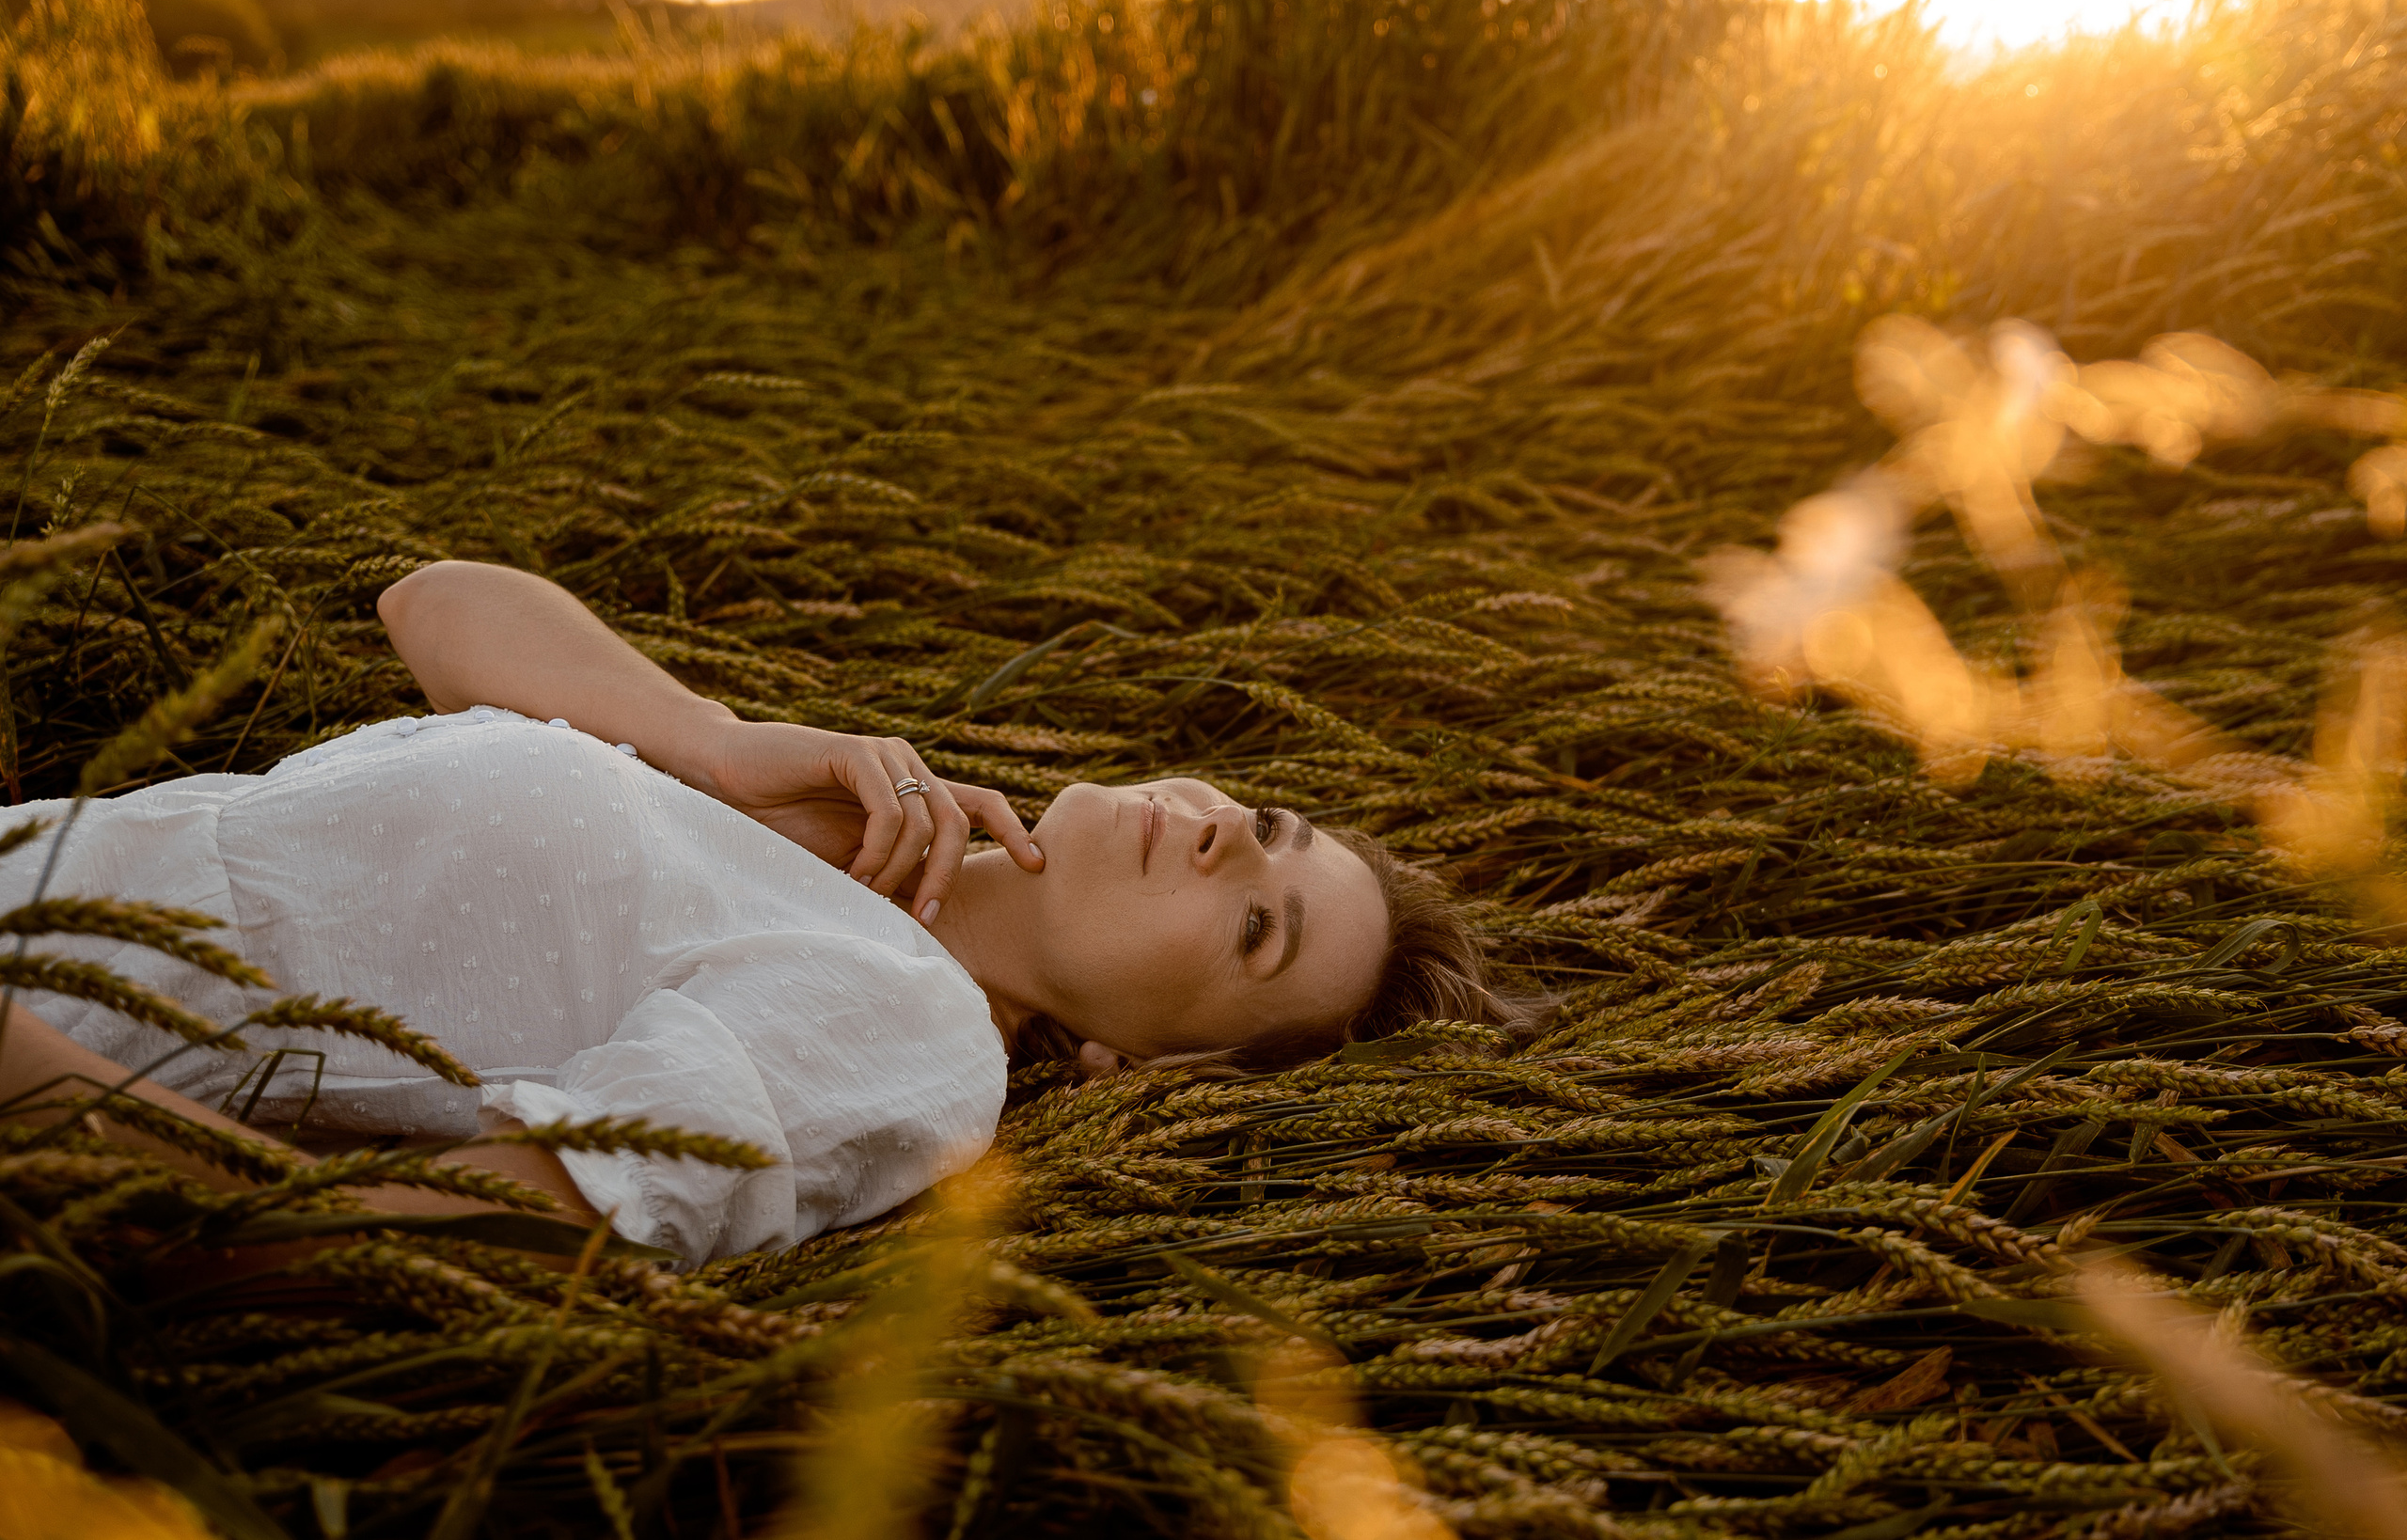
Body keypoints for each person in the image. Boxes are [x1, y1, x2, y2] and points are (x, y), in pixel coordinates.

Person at [0, 562, 1534, 1263]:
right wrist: (718, 744)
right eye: (1259, 821)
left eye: (1253, 924)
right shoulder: (826, 851)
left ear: (1154, 1068)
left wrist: (39, 1087)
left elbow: (407, 1230)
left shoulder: (911, 1035)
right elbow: (433, 603)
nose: (1214, 844)